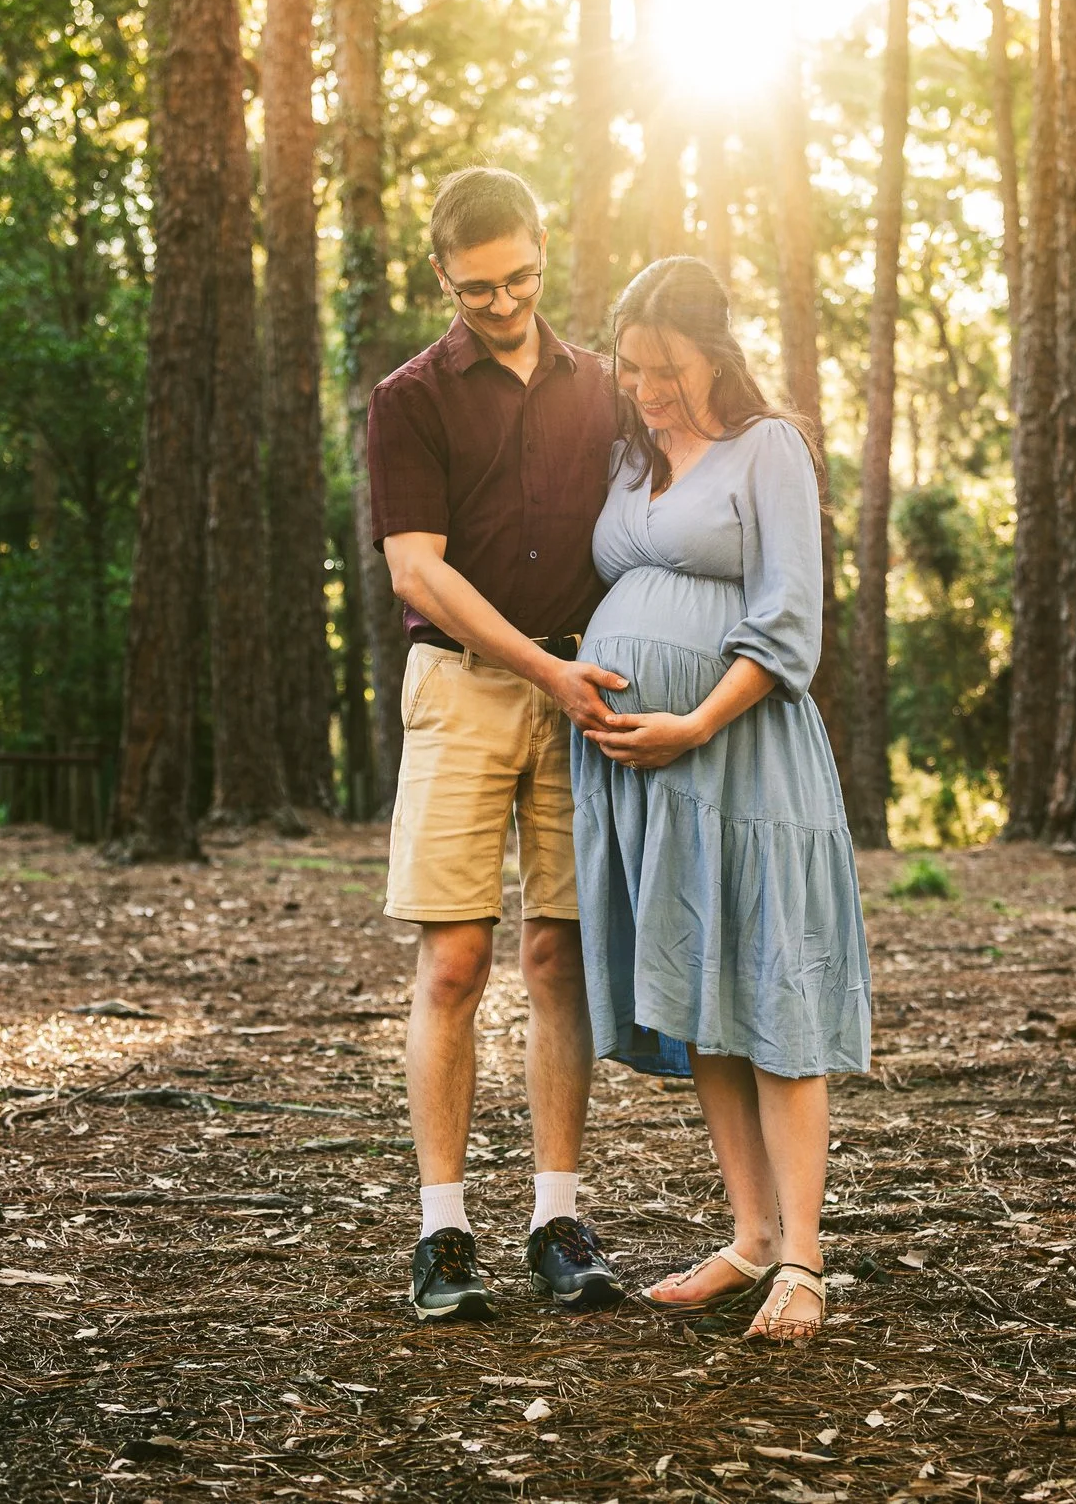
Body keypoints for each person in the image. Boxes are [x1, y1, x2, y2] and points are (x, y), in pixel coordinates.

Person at [571, 256, 873, 1344]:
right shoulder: (627, 460)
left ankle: (802, 1256)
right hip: (649, 783)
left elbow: (791, 619)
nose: (646, 388)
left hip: (742, 764)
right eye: (631, 367)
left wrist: (694, 719)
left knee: (772, 988)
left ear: (716, 354)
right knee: (705, 994)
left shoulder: (769, 448)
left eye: (667, 367)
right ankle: (748, 1236)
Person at [368, 167, 630, 1320]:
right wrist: (542, 670)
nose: (503, 300)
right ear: (441, 277)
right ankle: (443, 1230)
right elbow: (416, 568)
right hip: (466, 690)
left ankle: (557, 1219)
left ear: (541, 252)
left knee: (559, 959)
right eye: (477, 288)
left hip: (584, 688)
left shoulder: (605, 389)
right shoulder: (409, 396)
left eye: (519, 276)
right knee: (457, 962)